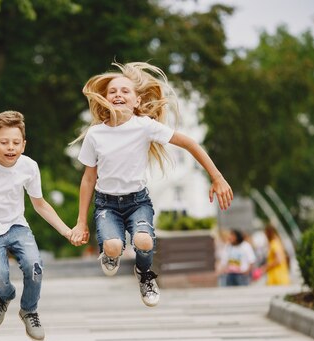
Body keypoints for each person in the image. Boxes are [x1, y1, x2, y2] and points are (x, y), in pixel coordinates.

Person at [69, 62, 233, 306]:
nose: (118, 95)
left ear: (137, 101)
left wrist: (217, 177)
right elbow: (88, 178)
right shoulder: (95, 134)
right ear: (105, 98)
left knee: (144, 241)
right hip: (107, 204)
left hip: (137, 202)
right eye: (112, 91)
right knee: (113, 246)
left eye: (125, 91)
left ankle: (145, 275)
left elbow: (190, 143)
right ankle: (110, 255)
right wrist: (81, 221)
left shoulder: (144, 126)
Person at [0, 110, 79, 341]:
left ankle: (29, 310)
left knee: (34, 266)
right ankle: (5, 296)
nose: (10, 147)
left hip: (16, 226)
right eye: (4, 142)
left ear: (23, 145)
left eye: (16, 142)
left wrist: (66, 230)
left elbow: (40, 205)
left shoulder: (29, 167)